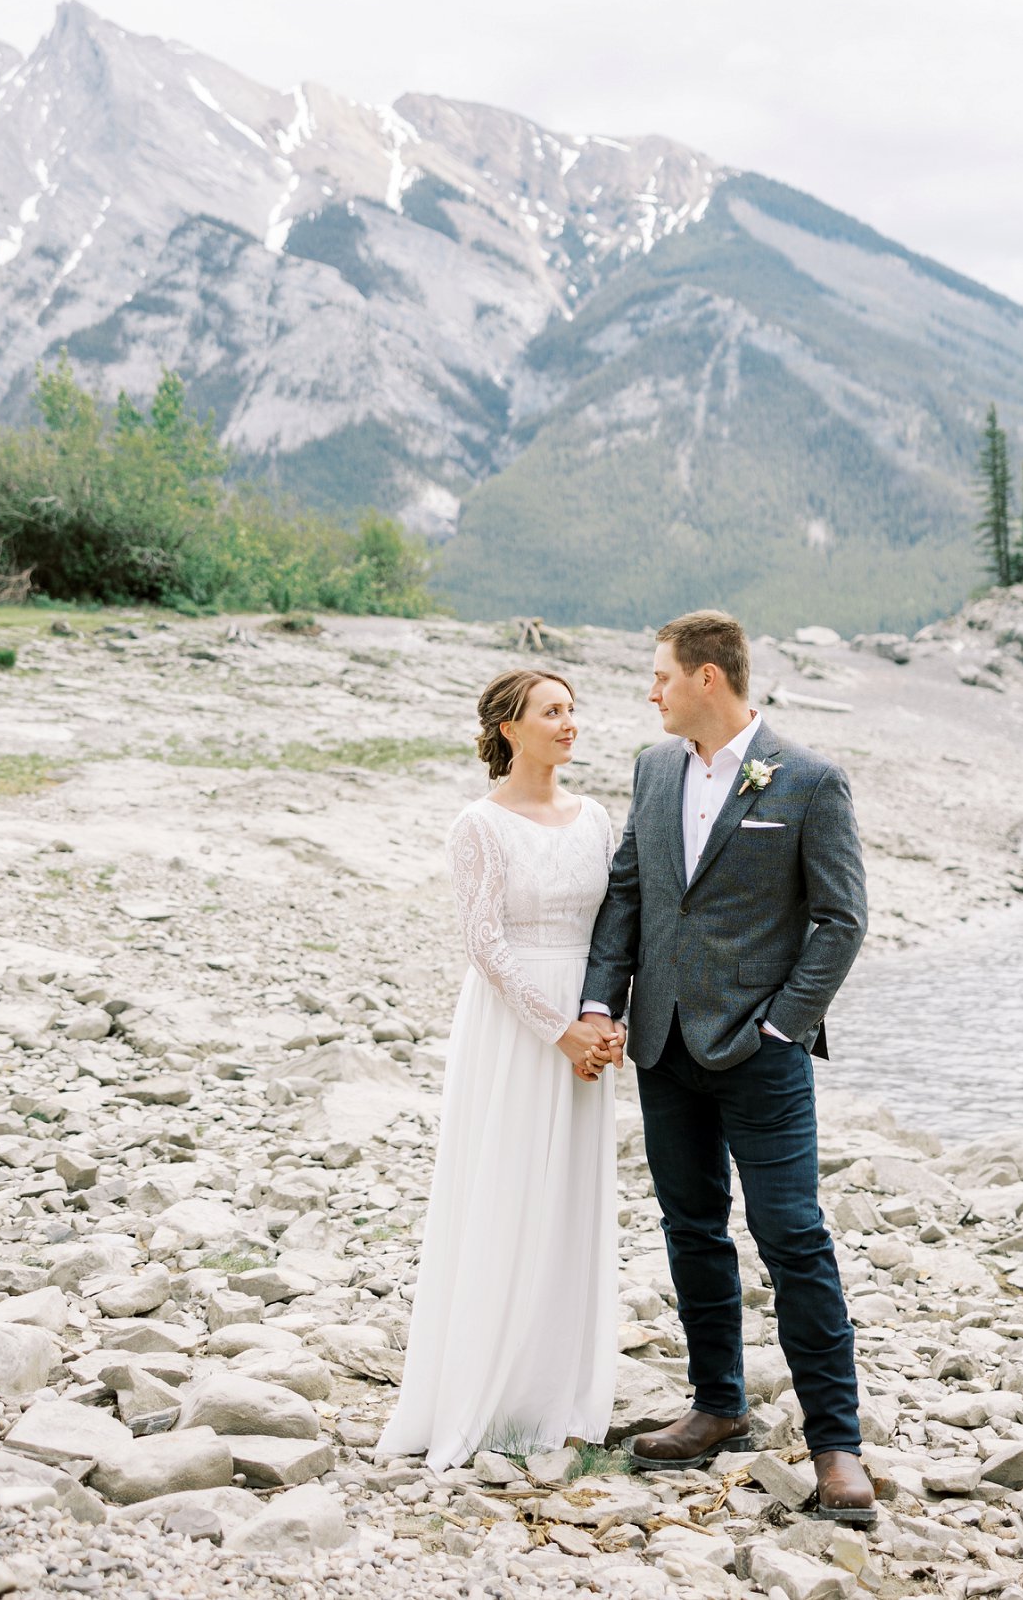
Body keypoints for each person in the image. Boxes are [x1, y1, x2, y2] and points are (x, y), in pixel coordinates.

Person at [580, 609, 875, 1524]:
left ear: (709, 678)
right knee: (692, 1228)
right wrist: (603, 1001)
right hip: (664, 1043)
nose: (651, 689)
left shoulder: (811, 780)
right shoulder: (652, 767)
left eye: (661, 673)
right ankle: (717, 1406)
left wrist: (786, 1028)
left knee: (792, 1236)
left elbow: (841, 919)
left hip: (762, 1054)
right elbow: (629, 887)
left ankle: (838, 1448)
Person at [375, 667, 624, 1471]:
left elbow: (622, 926)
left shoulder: (598, 819)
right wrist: (556, 1030)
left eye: (572, 709)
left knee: (570, 1199)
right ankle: (483, 1389)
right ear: (510, 728)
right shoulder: (477, 826)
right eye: (553, 711)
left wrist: (605, 1018)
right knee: (507, 1188)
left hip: (588, 1020)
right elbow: (483, 944)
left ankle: (558, 1393)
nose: (570, 722)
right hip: (515, 1027)